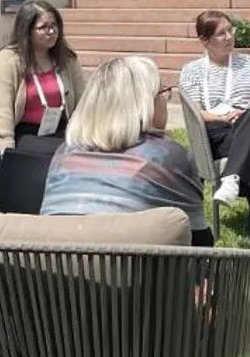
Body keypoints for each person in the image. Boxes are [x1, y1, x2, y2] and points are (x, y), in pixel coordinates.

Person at [44, 56, 211, 245]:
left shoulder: (63, 156)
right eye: (163, 93)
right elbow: (200, 242)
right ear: (145, 104)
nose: (165, 100)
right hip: (139, 272)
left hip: (63, 271)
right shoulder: (171, 157)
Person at [176, 9, 250, 248]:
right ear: (205, 41)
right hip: (218, 129)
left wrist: (243, 115)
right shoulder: (192, 71)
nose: (228, 37)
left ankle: (231, 177)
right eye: (221, 34)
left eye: (230, 31)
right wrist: (223, 118)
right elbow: (196, 112)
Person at [0, 0, 84, 163]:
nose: (51, 31)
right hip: (20, 133)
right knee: (61, 153)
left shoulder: (67, 59)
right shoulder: (9, 59)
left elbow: (82, 102)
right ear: (27, 31)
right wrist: (7, 151)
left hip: (56, 131)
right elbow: (0, 111)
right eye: (43, 27)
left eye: (54, 26)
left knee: (86, 149)